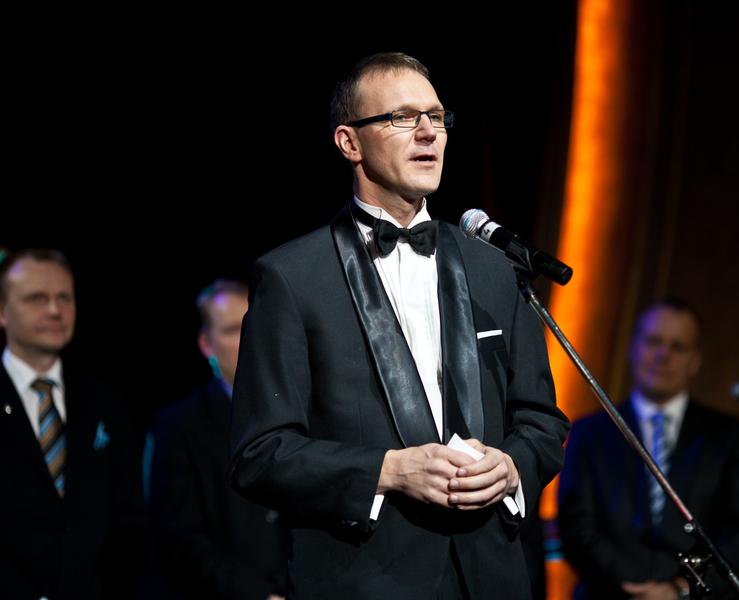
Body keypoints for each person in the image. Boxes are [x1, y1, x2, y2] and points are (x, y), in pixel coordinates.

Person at [228, 52, 569, 599]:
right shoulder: (292, 277)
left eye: (436, 117)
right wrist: (388, 470)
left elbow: (541, 421)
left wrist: (511, 467)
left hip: (492, 578)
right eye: (402, 117)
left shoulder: (494, 268)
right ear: (350, 142)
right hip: (367, 579)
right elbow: (260, 454)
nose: (428, 132)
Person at [558, 299, 739, 599]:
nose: (663, 355)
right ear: (632, 348)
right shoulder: (589, 432)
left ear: (695, 360)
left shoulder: (730, 436)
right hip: (610, 594)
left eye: (677, 347)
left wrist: (679, 589)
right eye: (653, 341)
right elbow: (576, 528)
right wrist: (637, 589)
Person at [0, 248, 146, 599]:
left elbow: (130, 524)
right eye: (37, 298)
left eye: (64, 297)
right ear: (2, 311)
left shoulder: (106, 404)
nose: (55, 310)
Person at [148, 279, 290, 599]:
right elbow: (181, 538)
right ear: (206, 344)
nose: (249, 339)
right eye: (232, 330)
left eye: (253, 325)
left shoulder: (298, 407)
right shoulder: (179, 427)